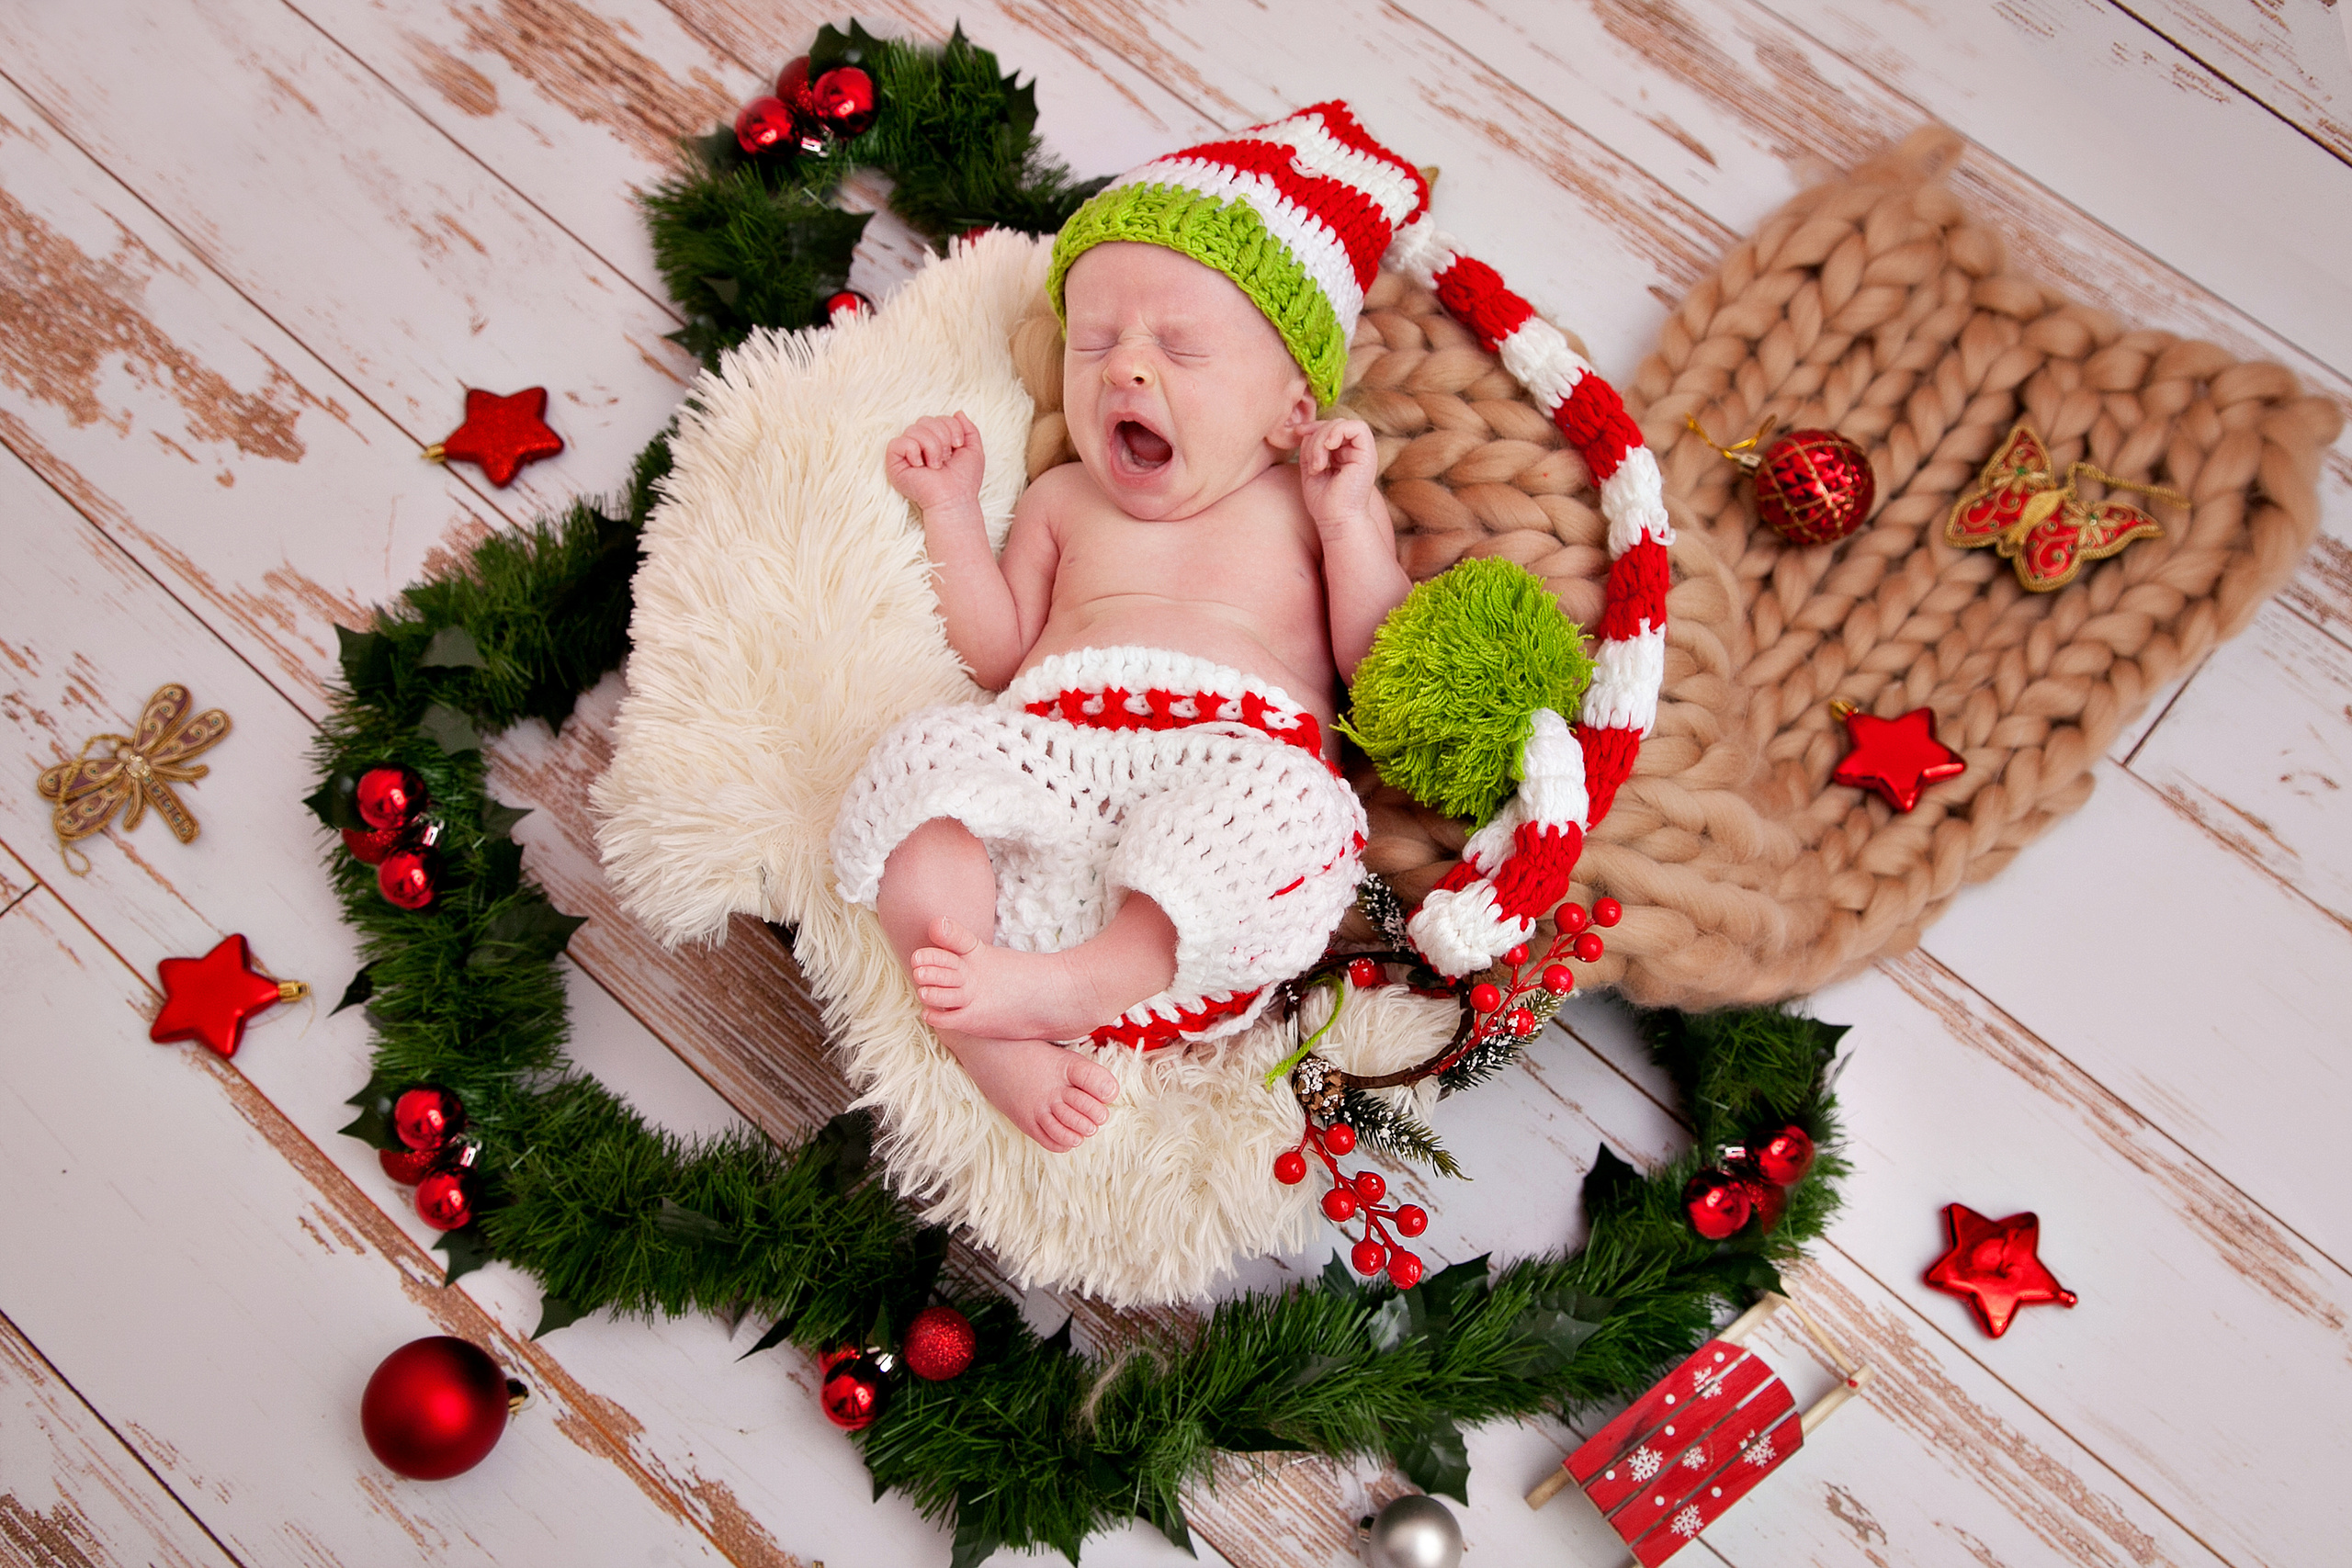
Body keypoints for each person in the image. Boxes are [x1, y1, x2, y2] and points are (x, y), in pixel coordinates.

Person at [831, 111, 1419, 1153]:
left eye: (1179, 349)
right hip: (1052, 762)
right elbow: (999, 651)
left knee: (1296, 814)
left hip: (1220, 786)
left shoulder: (1304, 507)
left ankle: (1074, 986)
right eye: (1094, 343)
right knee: (918, 770)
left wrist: (1346, 520)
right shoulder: (1063, 500)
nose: (1123, 372)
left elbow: (1379, 671)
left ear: (1291, 410)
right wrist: (953, 513)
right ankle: (992, 1030)